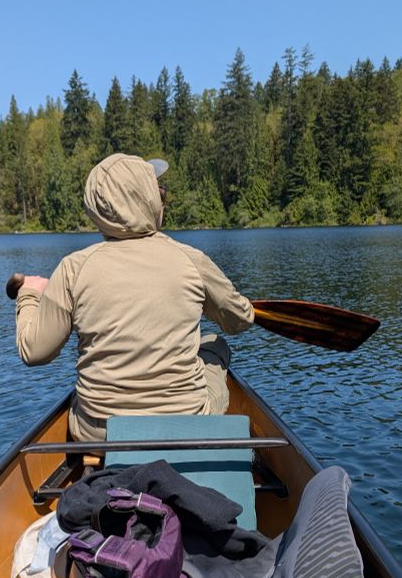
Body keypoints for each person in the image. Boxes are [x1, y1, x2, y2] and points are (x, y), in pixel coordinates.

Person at [13, 153, 255, 441]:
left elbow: (33, 351)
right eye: (159, 192)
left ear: (96, 208)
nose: (162, 197)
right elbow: (240, 320)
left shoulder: (72, 269)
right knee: (215, 344)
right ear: (150, 201)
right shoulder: (191, 260)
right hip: (185, 426)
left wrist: (29, 294)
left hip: (99, 434)